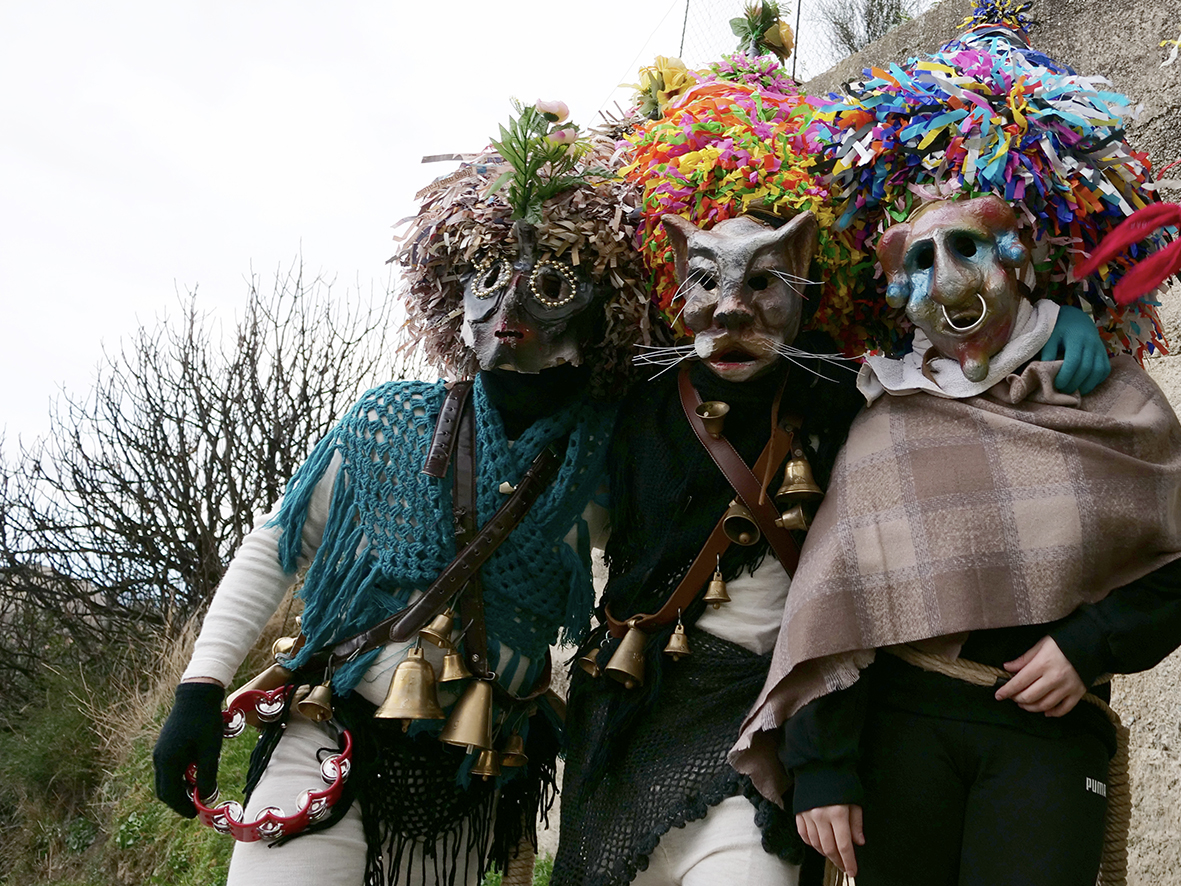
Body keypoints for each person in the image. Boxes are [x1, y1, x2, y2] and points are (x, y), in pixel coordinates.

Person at [151, 101, 654, 886]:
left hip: (470, 784)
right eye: (489, 278)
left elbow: (614, 590)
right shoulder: (390, 421)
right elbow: (278, 543)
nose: (510, 307)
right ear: (456, 294)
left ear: (600, 314)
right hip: (329, 741)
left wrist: (568, 695)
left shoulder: (608, 460)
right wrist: (200, 686)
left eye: (549, 282)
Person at [730, 193, 1181, 886]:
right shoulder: (887, 420)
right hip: (904, 730)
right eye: (918, 261)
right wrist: (823, 769)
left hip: (1049, 733)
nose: (943, 278)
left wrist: (1090, 643)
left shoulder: (1113, 399)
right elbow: (841, 599)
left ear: (1016, 259)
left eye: (965, 248)